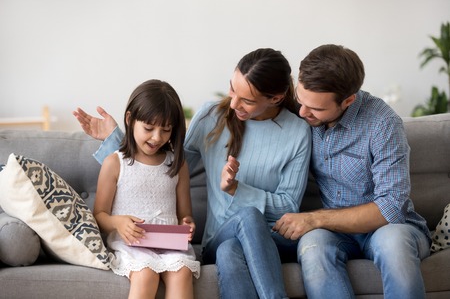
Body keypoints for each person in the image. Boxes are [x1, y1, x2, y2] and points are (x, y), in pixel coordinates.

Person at [74, 48, 312, 299]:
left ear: (275, 98)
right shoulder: (212, 116)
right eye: (232, 90)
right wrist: (115, 138)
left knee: (233, 246)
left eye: (247, 100)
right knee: (239, 228)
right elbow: (162, 165)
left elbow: (289, 206)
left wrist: (236, 190)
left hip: (270, 239)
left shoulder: (297, 133)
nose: (233, 104)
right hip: (219, 235)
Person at [273, 44, 431, 299]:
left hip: (390, 229)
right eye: (301, 100)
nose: (302, 113)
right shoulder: (302, 109)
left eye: (316, 109)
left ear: (348, 100)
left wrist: (314, 219)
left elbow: (390, 208)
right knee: (313, 247)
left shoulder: (383, 124)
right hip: (336, 235)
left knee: (393, 244)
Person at [92, 79, 200, 299]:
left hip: (170, 246)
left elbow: (185, 214)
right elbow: (99, 215)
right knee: (146, 274)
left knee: (182, 272)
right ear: (130, 120)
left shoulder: (177, 164)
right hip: (131, 245)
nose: (157, 137)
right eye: (149, 128)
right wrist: (118, 222)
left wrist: (187, 223)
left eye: (166, 130)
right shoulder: (115, 163)